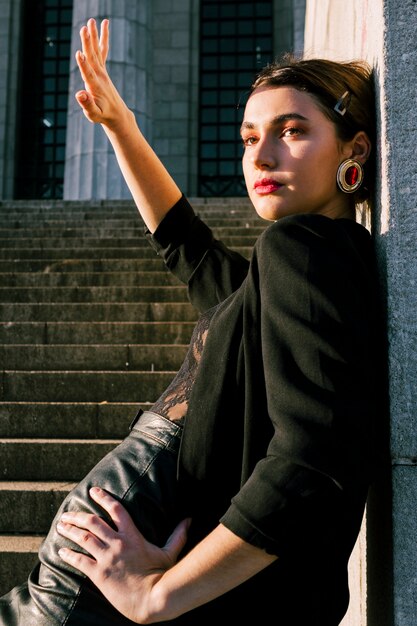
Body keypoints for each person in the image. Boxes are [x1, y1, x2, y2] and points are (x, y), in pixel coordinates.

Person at [0, 17, 383, 626]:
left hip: (123, 569)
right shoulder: (296, 275)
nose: (262, 154)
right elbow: (186, 244)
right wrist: (120, 126)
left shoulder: (302, 248)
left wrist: (161, 594)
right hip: (122, 555)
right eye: (249, 136)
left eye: (292, 131)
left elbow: (313, 457)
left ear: (354, 148)